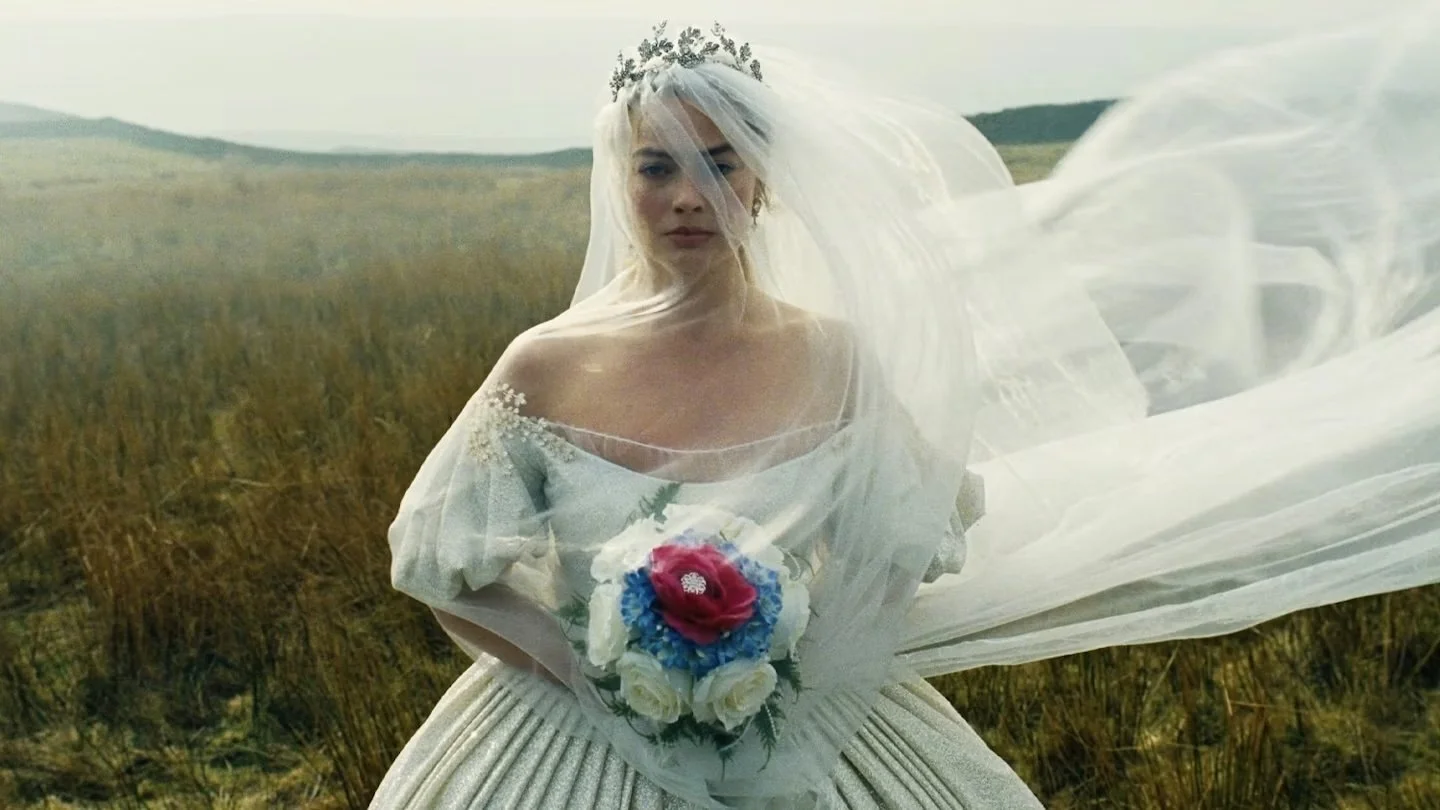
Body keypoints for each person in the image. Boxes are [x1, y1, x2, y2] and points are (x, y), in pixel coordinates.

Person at [371, 11, 1440, 809]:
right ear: (622, 178)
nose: (688, 197)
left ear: (766, 181)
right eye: (658, 166)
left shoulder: (836, 360)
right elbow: (441, 567)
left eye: (719, 163)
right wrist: (599, 678)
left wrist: (797, 677)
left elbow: (894, 552)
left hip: (806, 734)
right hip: (570, 749)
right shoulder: (545, 365)